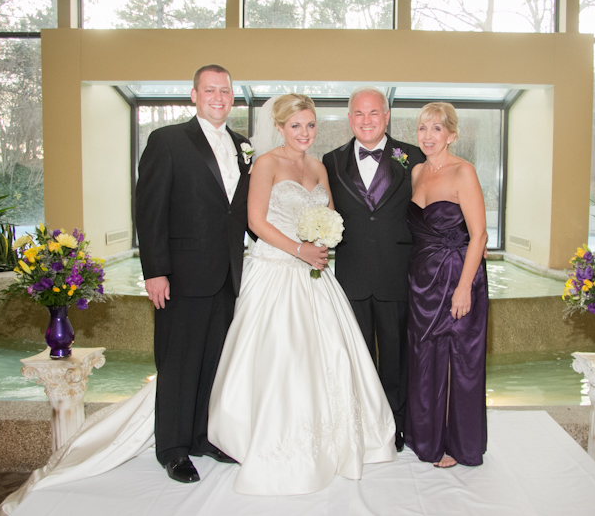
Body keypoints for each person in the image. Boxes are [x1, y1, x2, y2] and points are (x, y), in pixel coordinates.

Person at [208, 93, 396, 495]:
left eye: (310, 125)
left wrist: (323, 240)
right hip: (276, 269)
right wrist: (299, 249)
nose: (304, 132)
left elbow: (330, 215)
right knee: (284, 357)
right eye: (295, 126)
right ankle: (268, 439)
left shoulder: (318, 167)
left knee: (331, 353)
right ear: (279, 128)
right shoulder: (266, 164)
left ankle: (335, 439)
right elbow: (256, 221)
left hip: (315, 273)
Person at [135, 64, 250, 483]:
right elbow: (149, 210)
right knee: (178, 363)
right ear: (194, 95)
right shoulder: (167, 140)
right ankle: (173, 448)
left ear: (232, 97)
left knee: (214, 362)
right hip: (181, 276)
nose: (218, 97)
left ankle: (203, 437)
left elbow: (239, 210)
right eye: (210, 90)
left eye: (225, 91)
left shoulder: (243, 145)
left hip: (228, 275)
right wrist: (156, 271)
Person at [323, 87, 424, 451]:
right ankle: (362, 422)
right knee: (356, 354)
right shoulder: (331, 161)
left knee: (396, 355)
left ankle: (395, 423)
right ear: (350, 118)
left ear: (387, 116)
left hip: (396, 272)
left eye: (374, 113)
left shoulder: (412, 156)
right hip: (351, 274)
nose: (366, 121)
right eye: (359, 113)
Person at [405, 102, 488, 469]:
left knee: (459, 360)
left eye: (437, 128)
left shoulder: (463, 171)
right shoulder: (416, 171)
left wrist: (464, 286)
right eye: (423, 128)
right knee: (425, 357)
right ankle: (427, 437)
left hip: (457, 275)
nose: (428, 136)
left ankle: (457, 443)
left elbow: (479, 235)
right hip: (422, 280)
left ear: (452, 135)